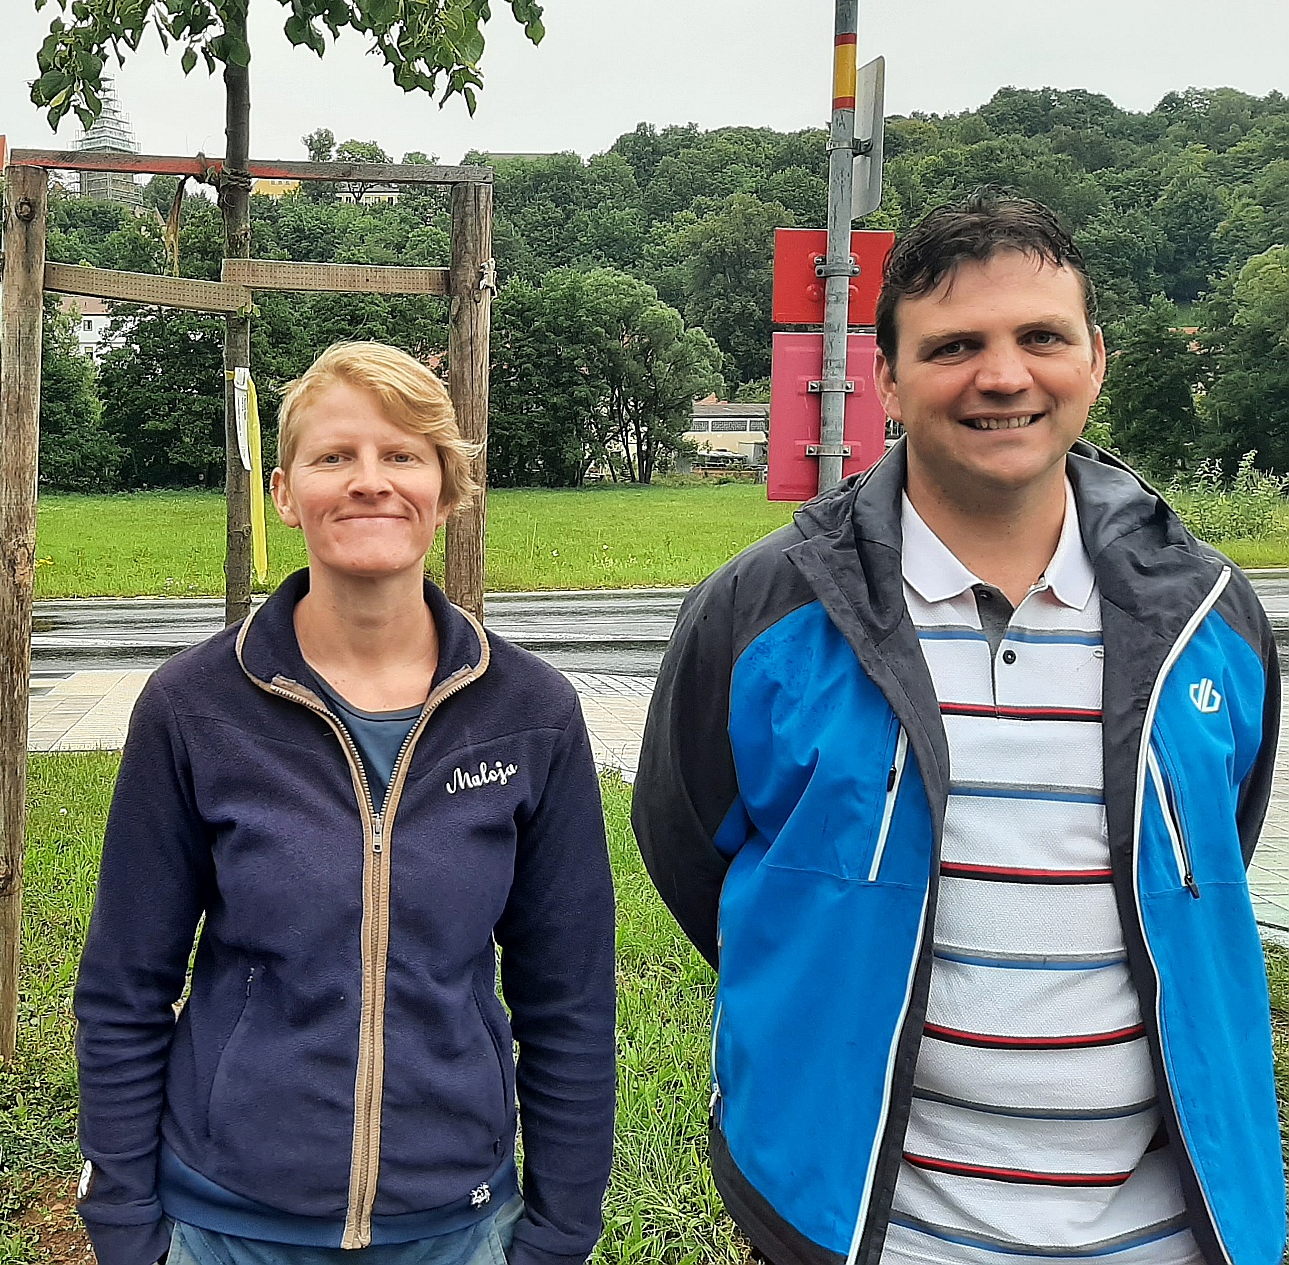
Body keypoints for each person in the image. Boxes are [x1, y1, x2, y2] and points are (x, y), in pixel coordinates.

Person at [633, 196, 1282, 1265]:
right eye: (954, 346)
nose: (1003, 375)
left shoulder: (1212, 618)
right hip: (867, 1231)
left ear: (1096, 359)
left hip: (1174, 1232)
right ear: (886, 376)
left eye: (1041, 337)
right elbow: (694, 856)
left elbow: (1209, 855)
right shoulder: (760, 617)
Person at [74, 342, 615, 1265]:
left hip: (455, 1226)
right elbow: (126, 990)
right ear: (284, 493)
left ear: (448, 489)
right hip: (227, 1225)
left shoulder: (533, 715)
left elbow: (567, 1003)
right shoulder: (193, 707)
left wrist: (561, 1234)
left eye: (403, 455)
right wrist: (127, 1227)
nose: (371, 482)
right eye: (335, 457)